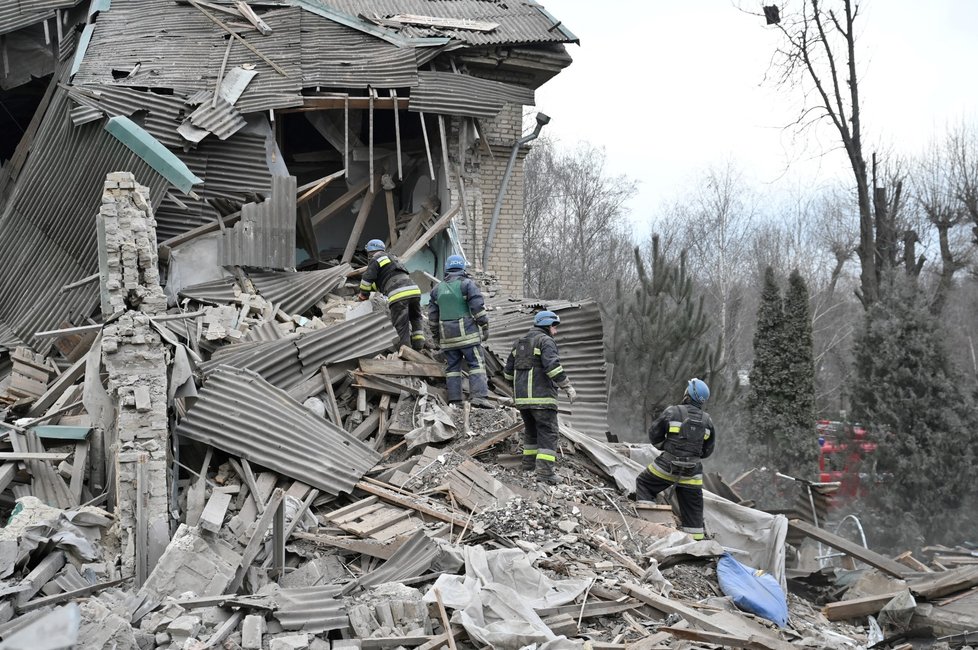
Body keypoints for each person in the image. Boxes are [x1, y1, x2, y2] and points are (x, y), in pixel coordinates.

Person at [636, 378, 716, 540]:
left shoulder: (673, 411)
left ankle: (648, 526)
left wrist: (665, 447)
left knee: (644, 483)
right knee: (693, 512)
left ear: (688, 394)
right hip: (692, 474)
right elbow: (707, 451)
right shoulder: (707, 421)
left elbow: (654, 434)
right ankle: (694, 548)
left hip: (666, 467)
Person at [503, 310, 577, 484]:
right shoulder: (546, 341)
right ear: (546, 325)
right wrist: (568, 387)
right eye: (554, 327)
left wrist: (519, 389)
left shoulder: (519, 343)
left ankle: (528, 466)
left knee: (531, 433)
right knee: (548, 433)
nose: (556, 331)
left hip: (522, 402)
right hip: (543, 400)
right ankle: (545, 473)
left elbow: (507, 374)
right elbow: (553, 368)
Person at [428, 254, 492, 409]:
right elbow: (477, 308)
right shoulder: (467, 284)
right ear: (463, 267)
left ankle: (455, 400)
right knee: (476, 363)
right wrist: (484, 326)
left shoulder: (437, 289)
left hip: (447, 338)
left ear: (447, 269)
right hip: (468, 335)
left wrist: (437, 338)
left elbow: (432, 318)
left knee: (452, 368)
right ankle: (479, 397)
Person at [358, 239, 425, 351]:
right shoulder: (392, 258)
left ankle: (405, 351)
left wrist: (363, 295)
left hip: (399, 293)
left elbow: (366, 279)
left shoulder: (376, 258)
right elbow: (384, 282)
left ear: (370, 251)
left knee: (401, 325)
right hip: (414, 290)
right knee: (415, 317)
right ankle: (419, 345)